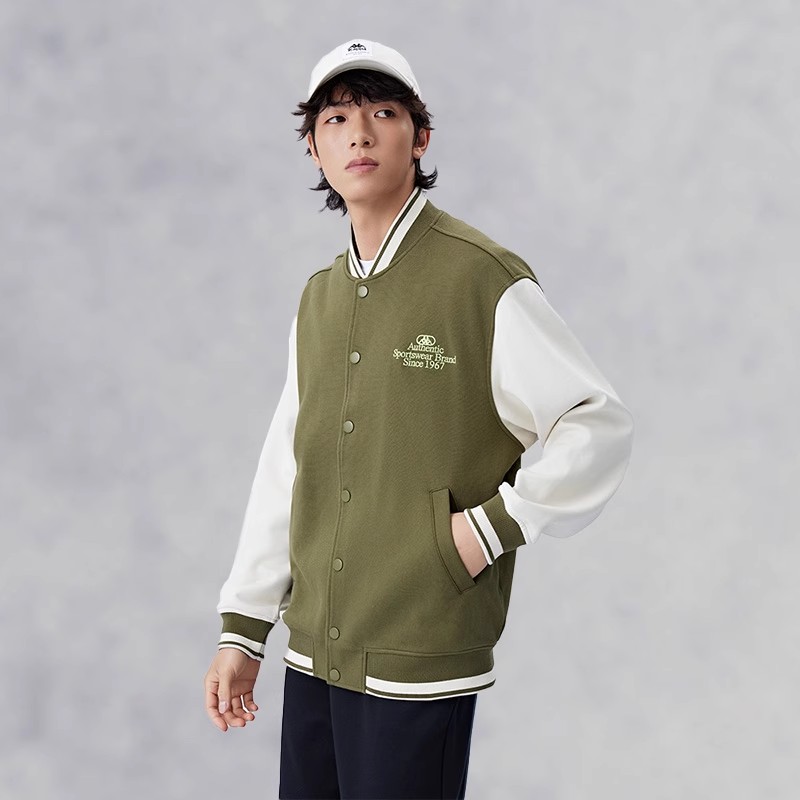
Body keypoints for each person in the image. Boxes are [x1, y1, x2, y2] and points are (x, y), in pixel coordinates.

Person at [203, 37, 634, 799]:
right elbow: (288, 466)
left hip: (417, 653)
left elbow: (595, 423)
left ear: (421, 136)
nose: (359, 134)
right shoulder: (320, 297)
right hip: (313, 655)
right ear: (313, 150)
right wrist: (246, 624)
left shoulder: (479, 276)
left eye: (383, 113)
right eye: (336, 119)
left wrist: (486, 530)